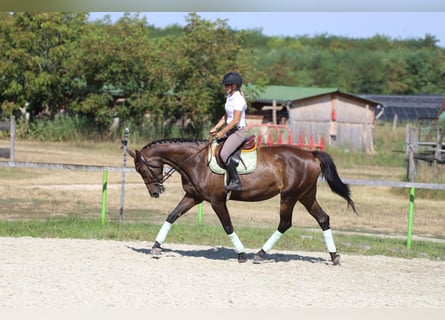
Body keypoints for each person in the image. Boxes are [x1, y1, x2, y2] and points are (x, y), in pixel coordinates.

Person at [210, 72, 248, 191]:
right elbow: (226, 117)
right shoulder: (229, 97)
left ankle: (236, 182)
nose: (225, 87)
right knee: (212, 144)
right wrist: (215, 128)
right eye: (225, 85)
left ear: (234, 86)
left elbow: (235, 120)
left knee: (224, 154)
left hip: (238, 132)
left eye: (227, 85)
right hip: (230, 130)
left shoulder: (239, 100)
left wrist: (222, 132)